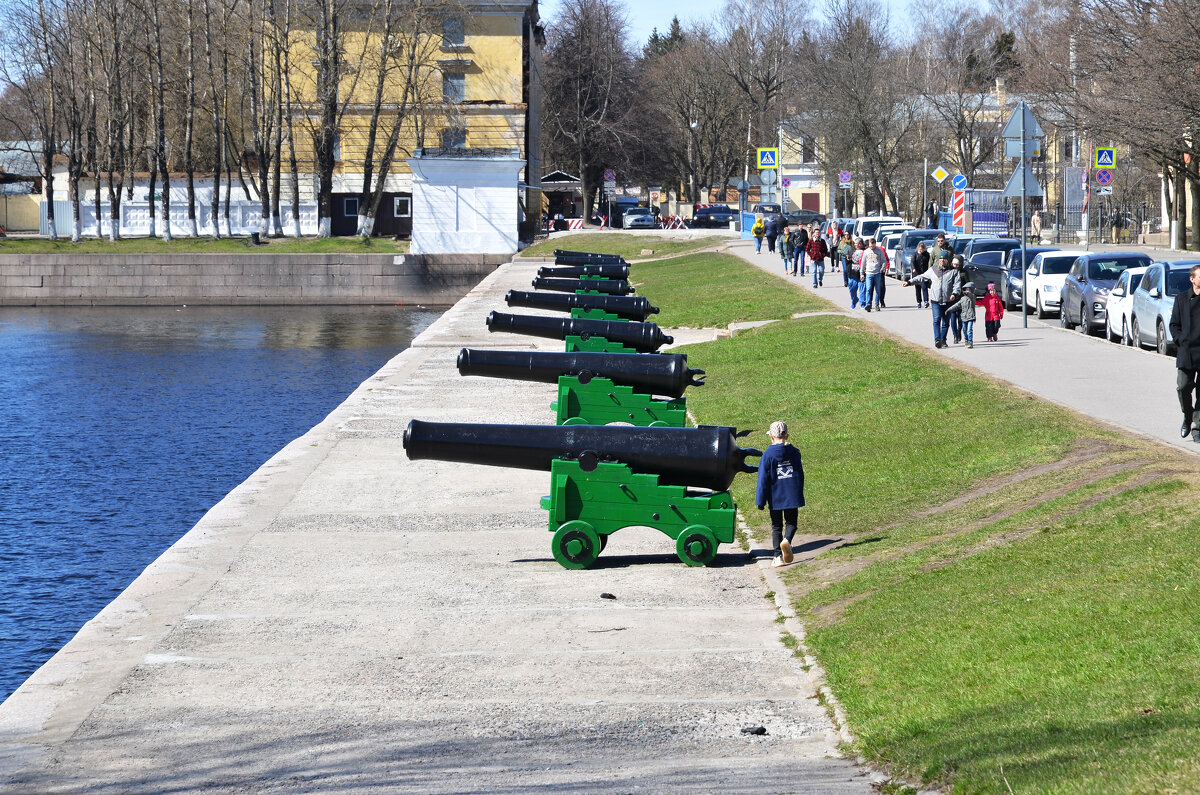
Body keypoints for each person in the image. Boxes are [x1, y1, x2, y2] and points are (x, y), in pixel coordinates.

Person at [755, 420, 805, 568]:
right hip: (791, 495)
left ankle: (777, 556)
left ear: (771, 436)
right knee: (791, 523)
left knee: (776, 526)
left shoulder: (768, 455)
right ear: (787, 436)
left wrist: (760, 501)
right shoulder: (794, 452)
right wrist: (798, 491)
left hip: (775, 496)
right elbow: (799, 473)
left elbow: (763, 479)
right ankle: (787, 540)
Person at [904, 249, 962, 348]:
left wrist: (954, 294)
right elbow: (921, 277)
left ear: (948, 260)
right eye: (940, 259)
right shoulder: (933, 270)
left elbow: (957, 284)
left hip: (948, 301)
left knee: (946, 323)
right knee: (936, 320)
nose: (942, 260)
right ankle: (937, 340)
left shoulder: (953, 272)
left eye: (944, 259)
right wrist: (909, 282)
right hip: (935, 301)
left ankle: (943, 339)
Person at [1169, 265, 1200, 441]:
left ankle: (1198, 428)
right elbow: (1174, 324)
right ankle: (1187, 417)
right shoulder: (1181, 299)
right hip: (1187, 351)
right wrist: (1180, 340)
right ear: (1192, 279)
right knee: (1182, 387)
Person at [861, 237, 885, 311]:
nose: (872, 247)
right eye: (870, 246)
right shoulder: (866, 252)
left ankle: (877, 304)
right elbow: (863, 263)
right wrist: (862, 273)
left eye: (873, 246)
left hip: (877, 273)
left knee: (878, 290)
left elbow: (884, 261)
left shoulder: (879, 251)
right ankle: (868, 304)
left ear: (875, 244)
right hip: (869, 273)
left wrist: (882, 269)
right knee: (868, 289)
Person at [954, 282, 976, 348]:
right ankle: (966, 340)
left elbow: (971, 295)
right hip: (964, 317)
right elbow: (956, 305)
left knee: (969, 330)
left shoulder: (972, 297)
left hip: (971, 317)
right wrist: (949, 310)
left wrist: (968, 293)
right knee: (964, 330)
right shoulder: (962, 299)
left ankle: (970, 341)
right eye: (966, 290)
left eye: (969, 290)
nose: (967, 291)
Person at [911, 241, 931, 307]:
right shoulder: (915, 254)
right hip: (916, 274)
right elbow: (912, 262)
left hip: (924, 274)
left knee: (924, 287)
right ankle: (919, 302)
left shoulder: (927, 254)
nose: (921, 251)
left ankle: (926, 301)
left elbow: (929, 262)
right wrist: (913, 268)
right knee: (918, 288)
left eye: (922, 249)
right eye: (920, 249)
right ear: (918, 248)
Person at [845, 241, 863, 309]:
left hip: (861, 274)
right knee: (852, 289)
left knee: (862, 289)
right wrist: (848, 258)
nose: (857, 245)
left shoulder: (864, 251)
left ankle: (862, 303)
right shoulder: (851, 250)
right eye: (856, 243)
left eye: (859, 243)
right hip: (852, 273)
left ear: (861, 244)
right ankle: (854, 300)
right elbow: (847, 260)